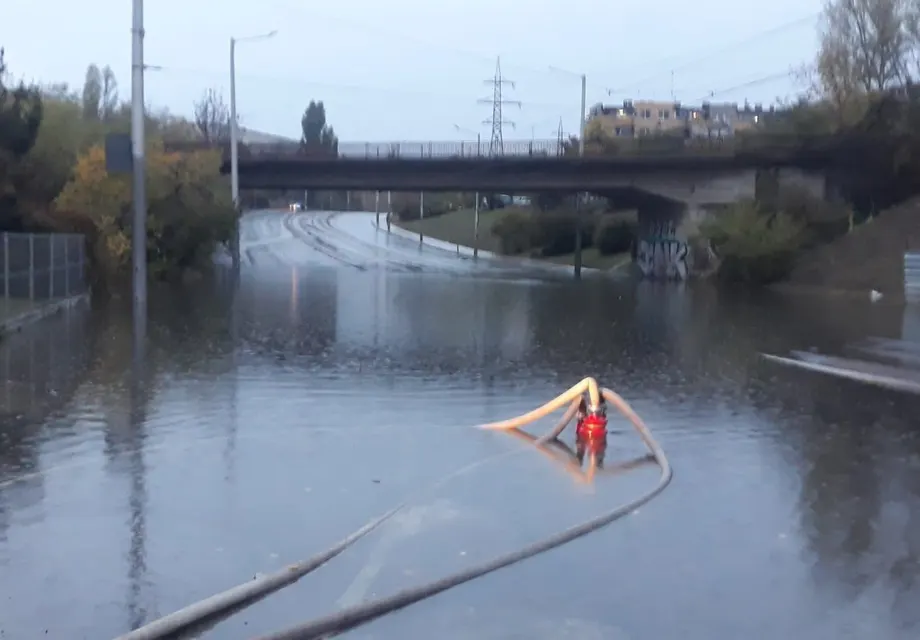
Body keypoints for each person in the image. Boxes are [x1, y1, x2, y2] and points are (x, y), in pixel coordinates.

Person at [574, 394, 608, 468]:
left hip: (591, 436)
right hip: (586, 435)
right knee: (581, 446)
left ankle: (596, 460)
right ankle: (581, 457)